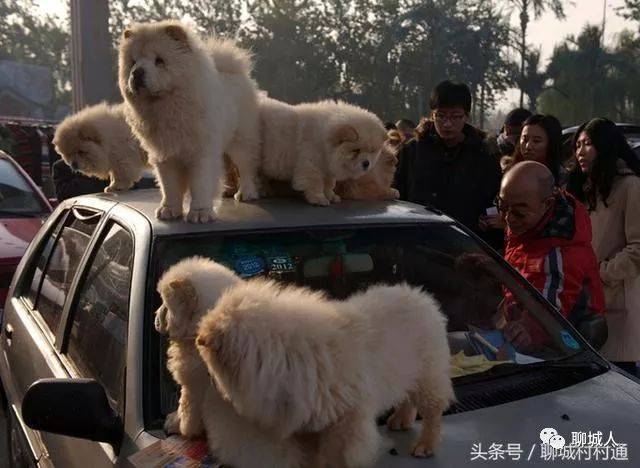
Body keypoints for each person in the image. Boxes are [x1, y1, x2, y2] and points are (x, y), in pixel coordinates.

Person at [499, 161, 605, 347]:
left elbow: (549, 311)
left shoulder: (562, 251)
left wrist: (526, 328)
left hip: (563, 350)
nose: (508, 218)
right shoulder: (526, 227)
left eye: (519, 212)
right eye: (503, 206)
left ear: (547, 204)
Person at [393, 80, 502, 250]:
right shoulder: (412, 152)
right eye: (441, 116)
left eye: (455, 116)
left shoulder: (484, 154)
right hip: (418, 245)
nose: (447, 124)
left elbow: (494, 202)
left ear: (467, 116)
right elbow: (396, 195)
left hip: (468, 245)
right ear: (432, 115)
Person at [572, 118, 640, 375]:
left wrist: (600, 272)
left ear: (605, 145)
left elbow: (638, 249)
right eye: (577, 145)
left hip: (617, 303)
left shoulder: (630, 186)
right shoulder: (589, 187)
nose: (580, 151)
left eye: (587, 144)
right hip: (588, 304)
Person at [501, 114, 565, 184]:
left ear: (551, 143)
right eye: (525, 140)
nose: (528, 146)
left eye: (536, 141)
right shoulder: (509, 174)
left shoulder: (562, 178)